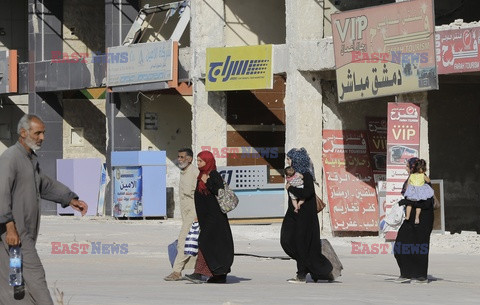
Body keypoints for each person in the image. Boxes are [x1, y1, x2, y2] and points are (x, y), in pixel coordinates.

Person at [0, 114, 88, 304]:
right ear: (23, 133)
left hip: (22, 233)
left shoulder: (30, 159)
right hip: (15, 233)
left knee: (14, 281)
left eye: (43, 133)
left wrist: (69, 198)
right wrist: (9, 227)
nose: (42, 137)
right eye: (37, 133)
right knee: (36, 276)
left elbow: (44, 184)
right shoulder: (10, 158)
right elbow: (1, 193)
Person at [281, 147, 334, 283]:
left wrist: (290, 188)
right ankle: (313, 269)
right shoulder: (293, 174)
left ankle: (302, 274)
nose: (288, 161)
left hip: (305, 218)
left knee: (301, 244)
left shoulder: (306, 175)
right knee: (287, 240)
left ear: (297, 160)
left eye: (289, 158)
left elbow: (307, 193)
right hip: (294, 216)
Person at [184, 151, 234, 284]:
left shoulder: (213, 175)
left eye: (201, 161)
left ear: (208, 161)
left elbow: (218, 191)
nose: (198, 163)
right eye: (198, 161)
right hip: (206, 218)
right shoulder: (201, 175)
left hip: (215, 218)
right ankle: (218, 275)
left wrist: (208, 182)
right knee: (213, 245)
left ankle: (199, 273)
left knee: (205, 242)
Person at [394, 157, 434, 284]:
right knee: (400, 244)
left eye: (407, 166)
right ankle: (406, 273)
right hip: (409, 217)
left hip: (424, 217)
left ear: (413, 167)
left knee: (420, 245)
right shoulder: (410, 180)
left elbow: (426, 202)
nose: (405, 168)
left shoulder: (424, 181)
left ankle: (421, 275)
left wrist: (407, 202)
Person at [164, 148, 200, 281]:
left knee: (183, 241)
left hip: (194, 214)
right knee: (194, 244)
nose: (179, 159)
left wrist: (197, 215)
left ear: (190, 159)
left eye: (182, 157)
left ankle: (177, 271)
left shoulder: (195, 173)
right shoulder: (184, 172)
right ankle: (200, 270)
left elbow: (198, 196)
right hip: (186, 214)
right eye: (178, 157)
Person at [403, 159, 434, 224]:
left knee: (409, 204)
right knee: (419, 205)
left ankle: (407, 216)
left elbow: (408, 184)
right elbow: (428, 181)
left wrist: (407, 191)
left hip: (412, 192)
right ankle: (417, 217)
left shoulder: (411, 175)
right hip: (420, 193)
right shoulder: (423, 175)